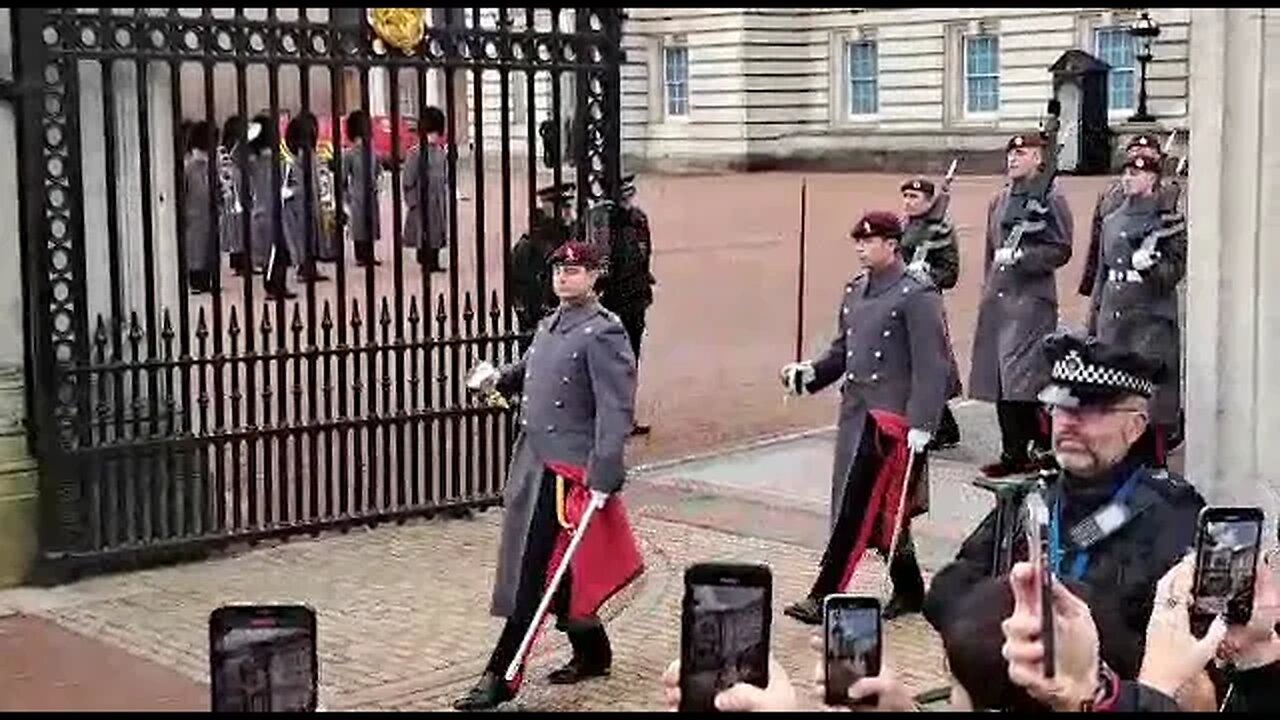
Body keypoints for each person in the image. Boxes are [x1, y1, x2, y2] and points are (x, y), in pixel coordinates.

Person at [453, 240, 642, 711]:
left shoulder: (604, 332)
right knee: (560, 571)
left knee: (534, 571)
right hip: (534, 459)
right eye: (559, 269)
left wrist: (604, 472)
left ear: (596, 276)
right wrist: (498, 377)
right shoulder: (550, 324)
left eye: (575, 270)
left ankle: (501, 675)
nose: (563, 277)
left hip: (568, 472)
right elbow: (532, 371)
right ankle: (592, 651)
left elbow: (615, 409)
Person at [925, 332, 1205, 640]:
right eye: (1062, 408)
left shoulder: (1171, 511)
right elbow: (945, 595)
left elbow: (1188, 640)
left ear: (1135, 427)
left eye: (1092, 411)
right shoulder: (1031, 500)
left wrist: (1071, 634)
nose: (1069, 423)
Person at [779, 211, 951, 623]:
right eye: (857, 241)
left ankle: (824, 594)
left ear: (892, 245)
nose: (860, 247)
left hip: (891, 421)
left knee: (859, 508)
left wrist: (924, 423)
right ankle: (910, 589)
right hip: (856, 413)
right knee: (880, 514)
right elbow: (844, 352)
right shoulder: (856, 290)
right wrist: (812, 373)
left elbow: (933, 364)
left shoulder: (917, 294)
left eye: (868, 241)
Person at [969, 132, 1074, 478]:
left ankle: (1032, 447)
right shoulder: (999, 201)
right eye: (1011, 153)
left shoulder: (1051, 198)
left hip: (1030, 300)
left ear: (1038, 159)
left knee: (1023, 380)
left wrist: (1024, 257)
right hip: (1000, 299)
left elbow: (1060, 248)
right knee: (1001, 379)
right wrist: (990, 287)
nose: (1013, 159)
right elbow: (991, 251)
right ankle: (1012, 451)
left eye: (1022, 153)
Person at [1086, 154, 1186, 469]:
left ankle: (1152, 469)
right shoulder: (1113, 219)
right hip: (1115, 316)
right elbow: (1102, 275)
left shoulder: (1168, 221)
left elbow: (1174, 273)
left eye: (1136, 173)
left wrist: (1152, 267)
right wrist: (1095, 319)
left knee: (1147, 403)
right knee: (1114, 399)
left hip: (1149, 319)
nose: (1128, 178)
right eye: (1126, 172)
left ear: (1153, 179)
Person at [899, 175, 962, 450]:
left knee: (929, 363)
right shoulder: (903, 227)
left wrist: (926, 274)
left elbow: (949, 273)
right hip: (900, 301)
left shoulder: (942, 229)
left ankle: (942, 426)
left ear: (928, 201)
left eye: (914, 198)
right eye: (906, 197)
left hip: (926, 302)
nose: (908, 202)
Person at [1077, 133, 1167, 299]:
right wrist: (1090, 284)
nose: (1138, 155)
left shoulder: (1167, 195)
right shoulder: (1111, 195)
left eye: (1145, 152)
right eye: (1133, 152)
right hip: (1113, 280)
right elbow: (1098, 243)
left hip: (1150, 284)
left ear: (1157, 157)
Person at [509, 182, 575, 348]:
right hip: (539, 323)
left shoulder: (572, 238)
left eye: (569, 206)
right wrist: (529, 315)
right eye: (563, 207)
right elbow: (519, 287)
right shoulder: (529, 245)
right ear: (548, 208)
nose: (569, 213)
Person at [281, 112, 328, 285]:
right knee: (301, 237)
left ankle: (310, 266)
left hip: (310, 203)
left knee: (312, 236)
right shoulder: (294, 162)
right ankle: (302, 268)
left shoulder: (310, 157)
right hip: (298, 206)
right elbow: (287, 188)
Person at [402, 105, 449, 273]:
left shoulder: (440, 152)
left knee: (437, 233)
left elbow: (444, 175)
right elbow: (408, 180)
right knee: (424, 232)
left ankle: (434, 261)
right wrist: (413, 202)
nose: (435, 137)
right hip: (422, 201)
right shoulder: (415, 153)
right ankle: (425, 261)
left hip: (437, 199)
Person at [182, 120, 219, 295]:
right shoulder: (188, 167)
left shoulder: (211, 165)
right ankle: (196, 280)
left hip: (208, 216)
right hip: (194, 217)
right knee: (196, 251)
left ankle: (207, 278)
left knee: (207, 250)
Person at [342, 109, 382, 268]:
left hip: (371, 193)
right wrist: (346, 198)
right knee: (359, 226)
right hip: (356, 194)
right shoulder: (349, 155)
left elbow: (378, 170)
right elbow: (343, 178)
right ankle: (360, 256)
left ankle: (370, 255)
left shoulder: (372, 153)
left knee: (371, 225)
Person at [218, 115, 251, 277]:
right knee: (239, 226)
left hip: (230, 192)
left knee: (235, 227)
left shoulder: (225, 149)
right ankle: (241, 262)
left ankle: (238, 260)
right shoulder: (238, 148)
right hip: (237, 189)